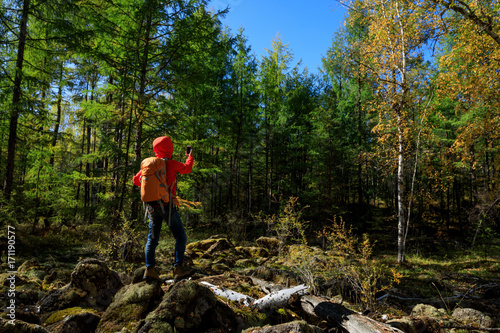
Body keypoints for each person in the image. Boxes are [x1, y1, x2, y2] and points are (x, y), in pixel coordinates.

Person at [132, 136, 194, 281]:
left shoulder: (150, 165)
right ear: (170, 148)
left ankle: (150, 270)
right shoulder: (171, 164)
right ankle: (178, 269)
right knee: (180, 237)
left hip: (152, 208)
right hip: (168, 207)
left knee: (152, 240)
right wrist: (189, 157)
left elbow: (135, 180)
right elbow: (187, 169)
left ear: (156, 149)